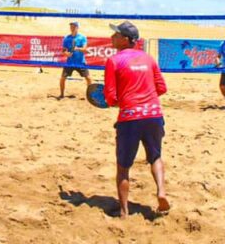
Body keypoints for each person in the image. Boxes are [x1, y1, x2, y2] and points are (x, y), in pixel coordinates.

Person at [104, 20, 169, 218]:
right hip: (154, 115)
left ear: (125, 40)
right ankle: (161, 191)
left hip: (130, 118)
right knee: (155, 157)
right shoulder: (148, 58)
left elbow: (110, 98)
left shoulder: (114, 61)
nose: (111, 37)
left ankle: (124, 211)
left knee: (123, 168)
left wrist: (123, 100)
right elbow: (162, 88)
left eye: (115, 35)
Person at [59, 21, 91, 98]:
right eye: (71, 26)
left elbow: (85, 49)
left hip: (80, 62)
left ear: (77, 27)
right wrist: (66, 54)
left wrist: (77, 48)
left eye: (74, 26)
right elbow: (63, 50)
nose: (72, 28)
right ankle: (62, 94)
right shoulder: (66, 38)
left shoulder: (82, 37)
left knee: (88, 78)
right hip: (70, 62)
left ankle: (90, 95)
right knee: (62, 78)